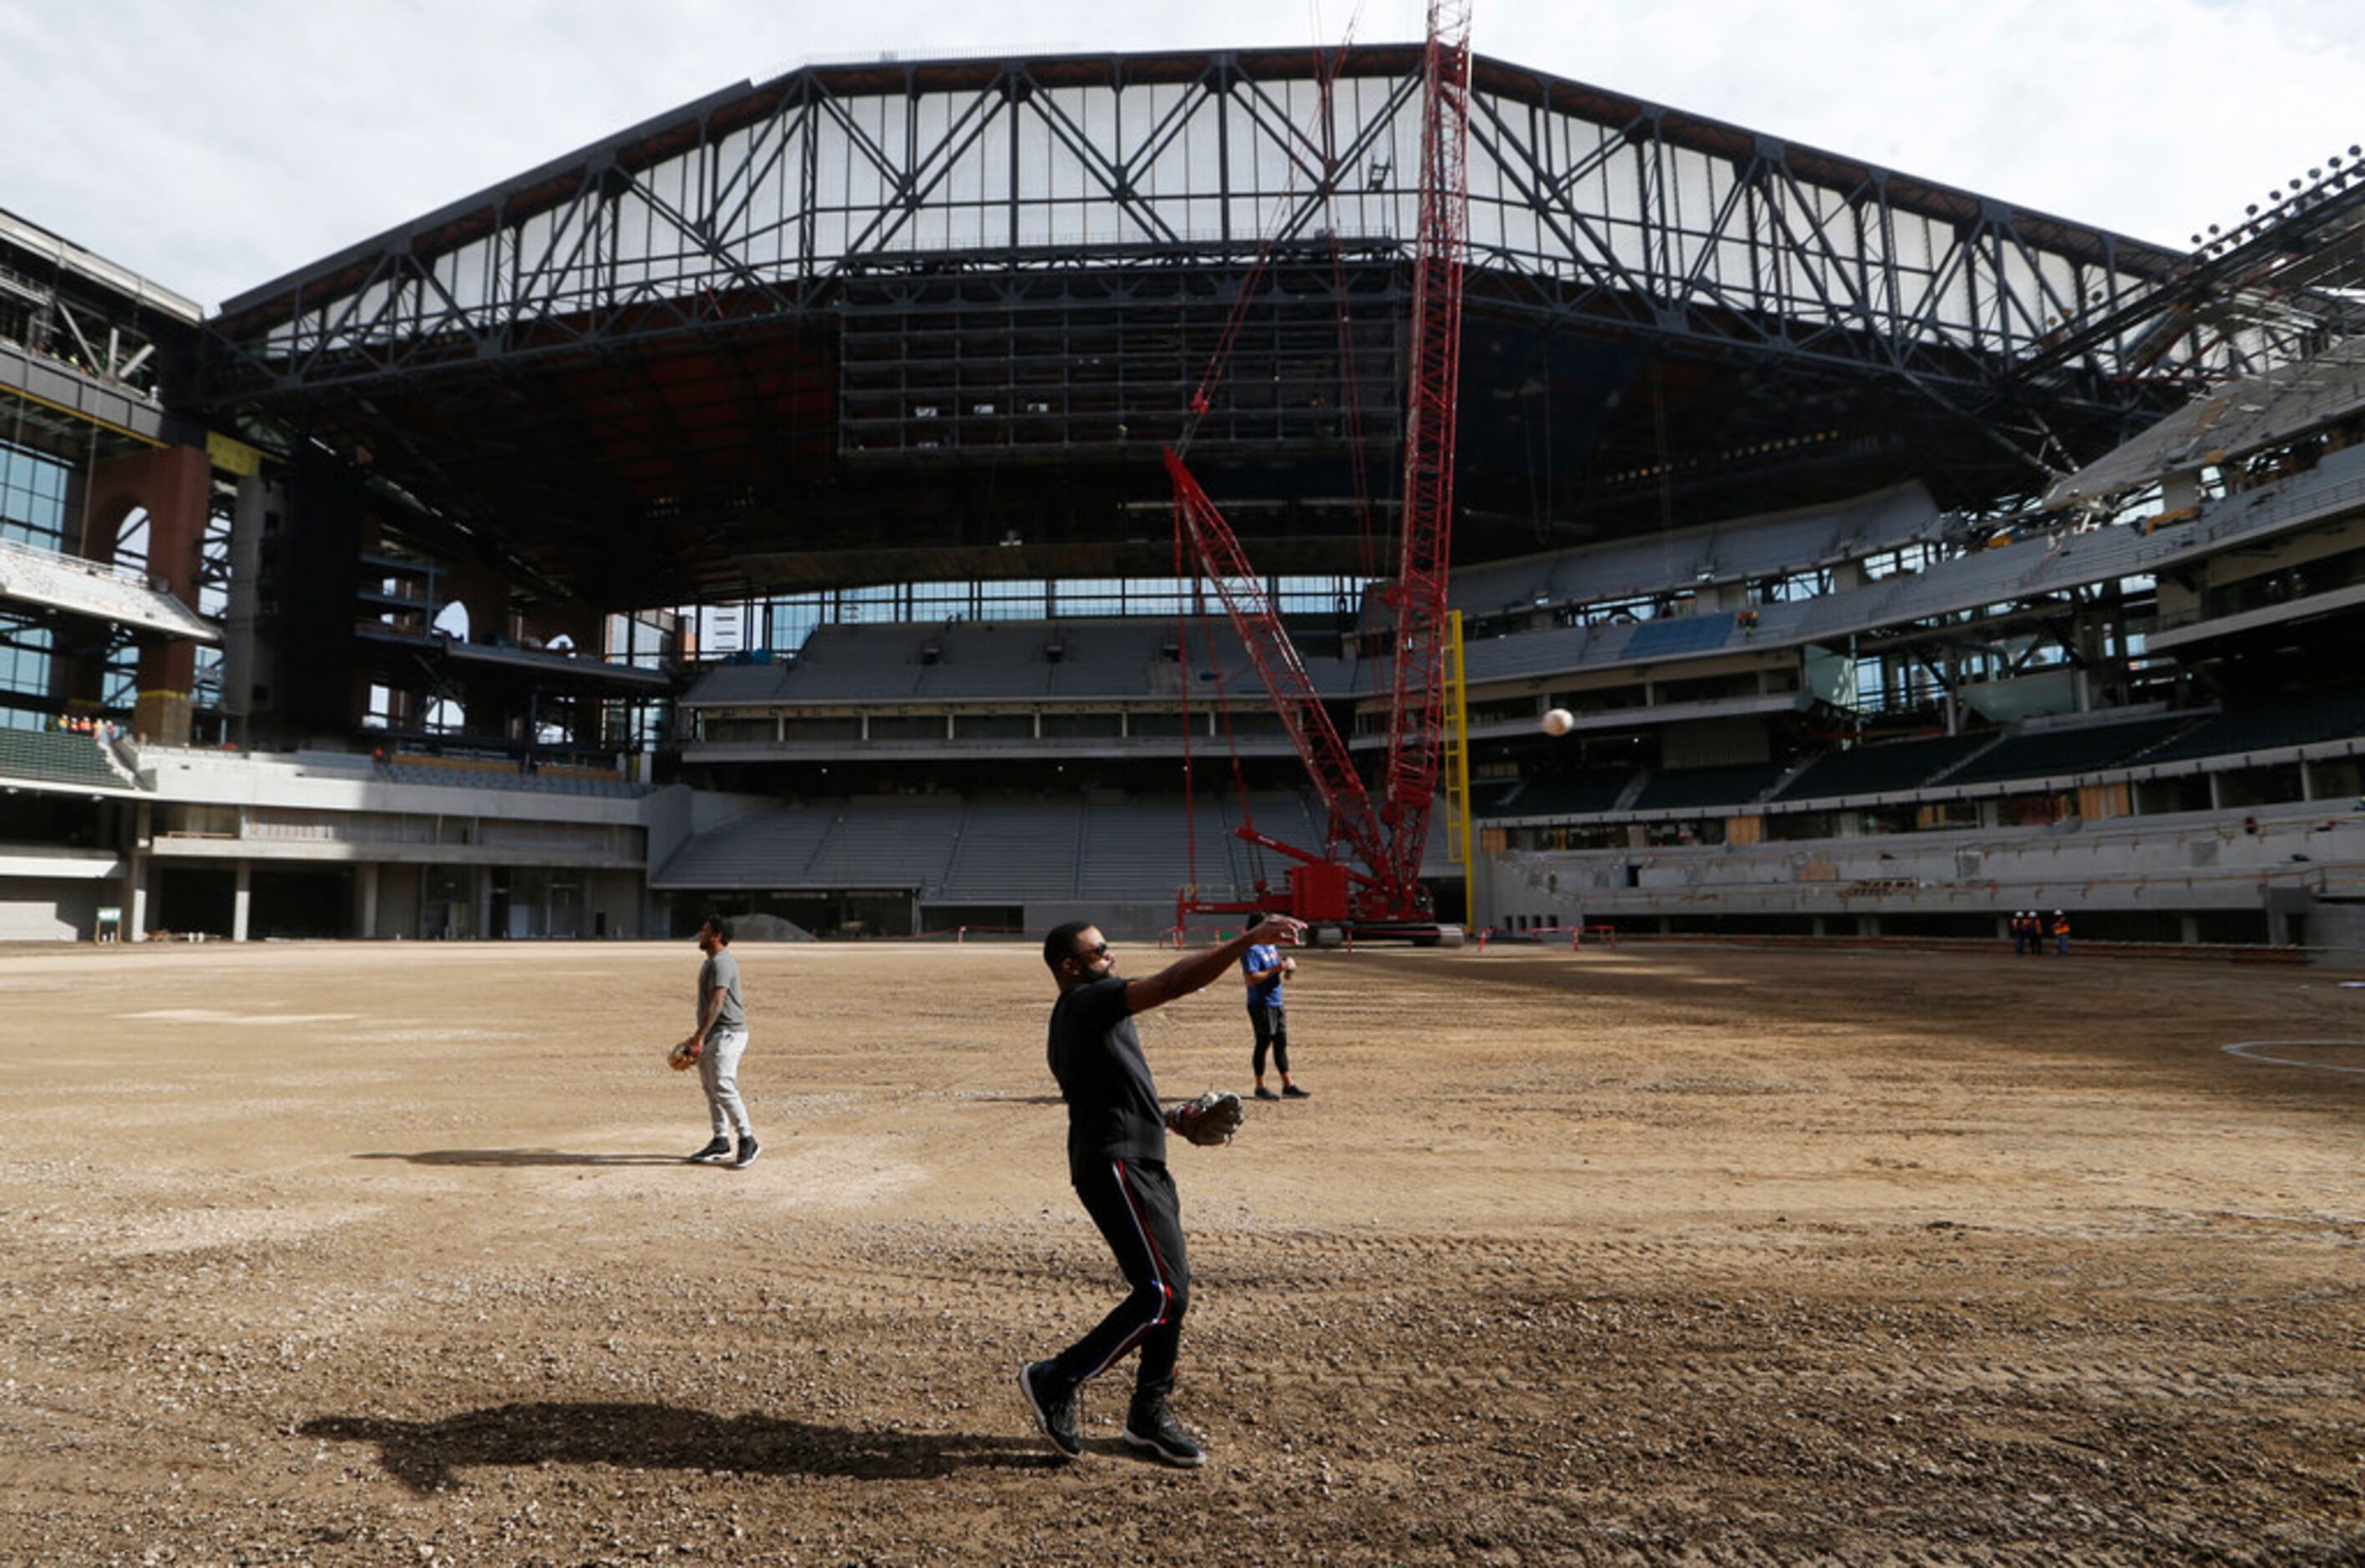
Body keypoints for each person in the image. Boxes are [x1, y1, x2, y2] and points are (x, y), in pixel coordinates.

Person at [1020, 913, 1309, 1467]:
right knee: (1158, 1294)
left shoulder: (1090, 1013)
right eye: (1102, 950)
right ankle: (1056, 1377)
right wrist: (1246, 941)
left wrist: (1170, 1119)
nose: (1112, 957)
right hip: (1115, 1164)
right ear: (1070, 966)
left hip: (1141, 1158)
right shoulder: (1087, 1001)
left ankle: (1148, 1416)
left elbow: (1111, 1088)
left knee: (1173, 1294)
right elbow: (1174, 984)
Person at [677, 914, 758, 1169]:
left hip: (729, 1033)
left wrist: (698, 1036)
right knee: (712, 1089)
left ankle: (748, 1139)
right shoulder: (711, 962)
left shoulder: (722, 963)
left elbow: (717, 1002)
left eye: (705, 930)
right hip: (714, 1034)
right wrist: (700, 1035)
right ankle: (720, 1140)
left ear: (717, 935)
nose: (700, 933)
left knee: (723, 1085)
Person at [1243, 935, 1309, 1100]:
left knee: (1281, 1043)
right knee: (1263, 1043)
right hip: (1261, 1003)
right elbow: (1251, 979)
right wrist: (1276, 969)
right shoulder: (1251, 950)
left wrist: (1287, 966)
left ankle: (1288, 1085)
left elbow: (1277, 965)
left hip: (1276, 1001)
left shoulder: (1270, 946)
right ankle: (1260, 1087)